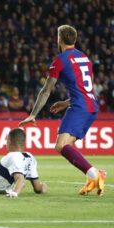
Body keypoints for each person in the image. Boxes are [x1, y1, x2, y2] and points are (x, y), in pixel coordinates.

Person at [19, 25, 106, 196]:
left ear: (59, 39)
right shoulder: (84, 57)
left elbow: (46, 90)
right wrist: (65, 103)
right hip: (90, 106)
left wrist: (33, 114)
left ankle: (95, 174)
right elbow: (85, 89)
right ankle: (91, 177)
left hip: (80, 107)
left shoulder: (60, 59)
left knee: (61, 145)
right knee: (69, 145)